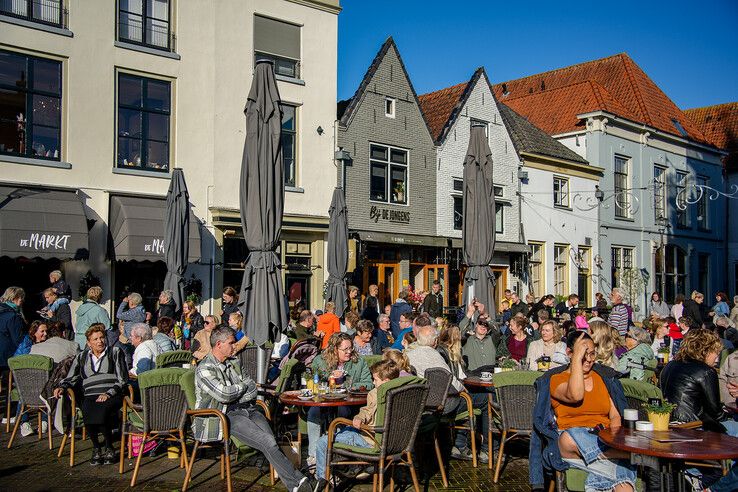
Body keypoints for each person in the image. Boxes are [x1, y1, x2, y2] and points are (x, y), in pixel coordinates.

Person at [192, 325, 312, 492]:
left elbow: (252, 388)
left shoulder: (234, 362)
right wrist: (241, 388)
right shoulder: (204, 368)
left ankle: (298, 484)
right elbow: (225, 395)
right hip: (225, 415)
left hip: (250, 409)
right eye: (231, 343)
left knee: (271, 442)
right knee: (268, 442)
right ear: (219, 344)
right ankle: (298, 483)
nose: (235, 346)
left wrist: (239, 389)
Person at [550, 332, 636, 492]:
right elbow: (576, 395)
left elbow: (615, 415)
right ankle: (621, 453)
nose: (589, 359)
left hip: (602, 436)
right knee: (570, 436)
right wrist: (576, 358)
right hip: (575, 441)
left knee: (623, 485)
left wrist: (614, 436)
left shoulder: (600, 378)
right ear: (569, 353)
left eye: (592, 354)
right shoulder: (557, 380)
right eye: (584, 354)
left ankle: (611, 455)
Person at [313, 359, 400, 488]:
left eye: (375, 380)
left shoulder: (378, 394)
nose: (373, 382)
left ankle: (323, 483)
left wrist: (360, 418)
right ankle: (355, 467)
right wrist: (360, 417)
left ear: (385, 382)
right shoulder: (404, 393)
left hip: (372, 441)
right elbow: (368, 411)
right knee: (345, 430)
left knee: (323, 442)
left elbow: (368, 412)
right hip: (397, 443)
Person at [55, 324, 128, 466]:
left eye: (101, 338)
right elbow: (71, 377)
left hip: (111, 393)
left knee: (102, 408)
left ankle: (108, 446)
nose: (99, 341)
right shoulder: (81, 357)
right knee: (87, 408)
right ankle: (96, 447)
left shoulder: (114, 352)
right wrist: (62, 387)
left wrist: (108, 393)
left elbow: (122, 379)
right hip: (90, 394)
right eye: (95, 339)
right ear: (89, 343)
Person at [307, 333, 373, 463]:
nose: (349, 352)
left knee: (342, 412)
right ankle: (314, 456)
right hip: (323, 401)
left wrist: (347, 383)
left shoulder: (358, 362)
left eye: (351, 348)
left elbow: (368, 383)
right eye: (345, 349)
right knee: (313, 413)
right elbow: (313, 379)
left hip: (347, 403)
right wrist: (329, 376)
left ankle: (338, 453)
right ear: (334, 349)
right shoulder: (321, 360)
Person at [660, 328, 737, 435]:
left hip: (668, 421)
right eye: (716, 352)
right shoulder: (706, 371)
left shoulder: (671, 365)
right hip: (693, 425)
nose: (717, 358)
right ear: (706, 350)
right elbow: (716, 414)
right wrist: (731, 416)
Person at [0, 287, 26, 370]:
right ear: (12, 297)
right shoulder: (13, 316)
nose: (22, 299)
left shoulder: (3, 311)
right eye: (19, 297)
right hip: (7, 358)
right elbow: (18, 340)